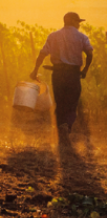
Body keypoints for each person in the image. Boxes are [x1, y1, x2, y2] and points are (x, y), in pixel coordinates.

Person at [30, 12, 94, 140]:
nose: (79, 25)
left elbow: (42, 54)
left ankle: (61, 128)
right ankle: (67, 126)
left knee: (59, 101)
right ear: (73, 22)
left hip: (58, 74)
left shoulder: (53, 36)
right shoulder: (82, 37)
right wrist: (85, 69)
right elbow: (89, 53)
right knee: (72, 102)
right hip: (73, 74)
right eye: (78, 22)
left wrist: (35, 70)